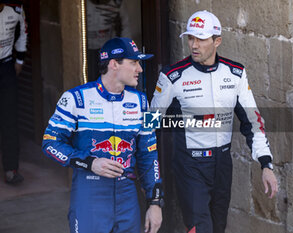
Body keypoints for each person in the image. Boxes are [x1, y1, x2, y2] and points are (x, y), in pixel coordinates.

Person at [151, 10, 278, 233]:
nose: (193, 45)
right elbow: (151, 123)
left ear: (217, 41)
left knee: (218, 227)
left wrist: (265, 164)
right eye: (190, 38)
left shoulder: (236, 73)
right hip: (190, 165)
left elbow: (253, 121)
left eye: (200, 39)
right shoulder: (172, 76)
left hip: (222, 163)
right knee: (201, 228)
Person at [42, 37, 163, 233]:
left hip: (127, 194)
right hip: (90, 193)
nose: (139, 69)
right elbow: (49, 143)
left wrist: (155, 202)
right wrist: (89, 162)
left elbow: (149, 154)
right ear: (114, 64)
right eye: (134, 63)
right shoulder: (75, 98)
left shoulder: (142, 101)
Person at [0, 0, 27, 184]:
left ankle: (11, 169)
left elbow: (23, 34)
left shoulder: (16, 10)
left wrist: (20, 60)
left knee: (9, 119)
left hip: (6, 67)